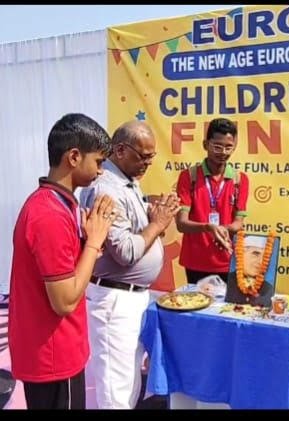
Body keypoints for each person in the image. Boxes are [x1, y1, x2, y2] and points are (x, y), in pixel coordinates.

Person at [8, 113, 116, 409]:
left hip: (56, 351)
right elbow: (64, 301)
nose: (101, 171)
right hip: (53, 355)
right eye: (98, 162)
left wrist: (89, 244)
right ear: (74, 156)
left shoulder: (59, 204)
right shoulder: (49, 215)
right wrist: (93, 242)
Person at [79, 120, 180, 409]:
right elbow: (124, 251)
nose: (148, 163)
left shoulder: (127, 179)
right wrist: (157, 224)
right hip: (115, 299)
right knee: (116, 392)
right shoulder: (106, 189)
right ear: (121, 150)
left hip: (131, 297)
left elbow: (136, 228)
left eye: (152, 157)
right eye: (143, 156)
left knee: (130, 383)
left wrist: (153, 215)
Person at [175, 118, 249, 285]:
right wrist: (208, 227)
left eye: (228, 147)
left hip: (228, 260)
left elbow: (239, 223)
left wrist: (224, 230)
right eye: (217, 146)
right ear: (205, 144)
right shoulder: (189, 176)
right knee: (196, 301)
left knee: (226, 302)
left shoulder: (240, 180)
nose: (223, 152)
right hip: (195, 261)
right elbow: (181, 224)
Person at [224, 235, 276, 307]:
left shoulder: (268, 288)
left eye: (265, 257)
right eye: (256, 254)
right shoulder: (229, 282)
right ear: (241, 253)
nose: (260, 262)